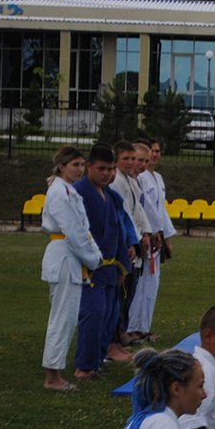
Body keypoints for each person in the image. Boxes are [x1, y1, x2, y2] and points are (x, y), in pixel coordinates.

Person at [40, 146, 103, 391]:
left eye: (81, 164)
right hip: (65, 255)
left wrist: (92, 256)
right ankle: (52, 377)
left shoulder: (66, 190)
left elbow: (79, 230)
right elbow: (74, 231)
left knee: (66, 318)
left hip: (71, 255)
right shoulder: (59, 192)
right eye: (74, 165)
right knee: (62, 318)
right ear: (62, 166)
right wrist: (94, 259)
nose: (79, 169)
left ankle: (55, 372)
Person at [74, 144, 131, 380]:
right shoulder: (78, 192)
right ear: (89, 167)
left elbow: (120, 232)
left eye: (110, 169)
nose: (106, 174)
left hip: (110, 267)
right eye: (101, 168)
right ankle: (83, 367)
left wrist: (123, 265)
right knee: (93, 314)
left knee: (109, 315)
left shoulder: (113, 197)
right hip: (89, 267)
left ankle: (96, 361)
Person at [128, 139, 177, 343]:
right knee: (140, 283)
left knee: (151, 283)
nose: (155, 156)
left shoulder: (157, 178)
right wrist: (152, 230)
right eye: (151, 152)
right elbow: (145, 207)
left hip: (156, 235)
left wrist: (166, 234)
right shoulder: (141, 179)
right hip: (146, 234)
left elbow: (161, 209)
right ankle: (133, 327)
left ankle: (144, 326)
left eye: (157, 152)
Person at [109, 140, 152, 354]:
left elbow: (137, 212)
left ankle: (120, 333)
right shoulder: (116, 181)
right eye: (127, 158)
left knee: (129, 292)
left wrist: (146, 232)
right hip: (126, 243)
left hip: (134, 239)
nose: (132, 163)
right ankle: (116, 337)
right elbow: (124, 215)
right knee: (122, 293)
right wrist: (134, 240)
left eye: (133, 159)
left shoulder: (130, 181)